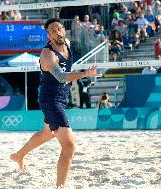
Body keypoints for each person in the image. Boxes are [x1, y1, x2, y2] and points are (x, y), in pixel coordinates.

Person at [10, 18, 101, 188]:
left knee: (47, 133)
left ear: (64, 31)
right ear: (48, 35)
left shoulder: (66, 45)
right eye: (53, 30)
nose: (57, 32)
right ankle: (60, 186)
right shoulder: (47, 54)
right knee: (70, 146)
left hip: (62, 97)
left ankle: (19, 155)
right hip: (50, 100)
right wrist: (84, 74)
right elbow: (61, 76)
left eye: (59, 28)